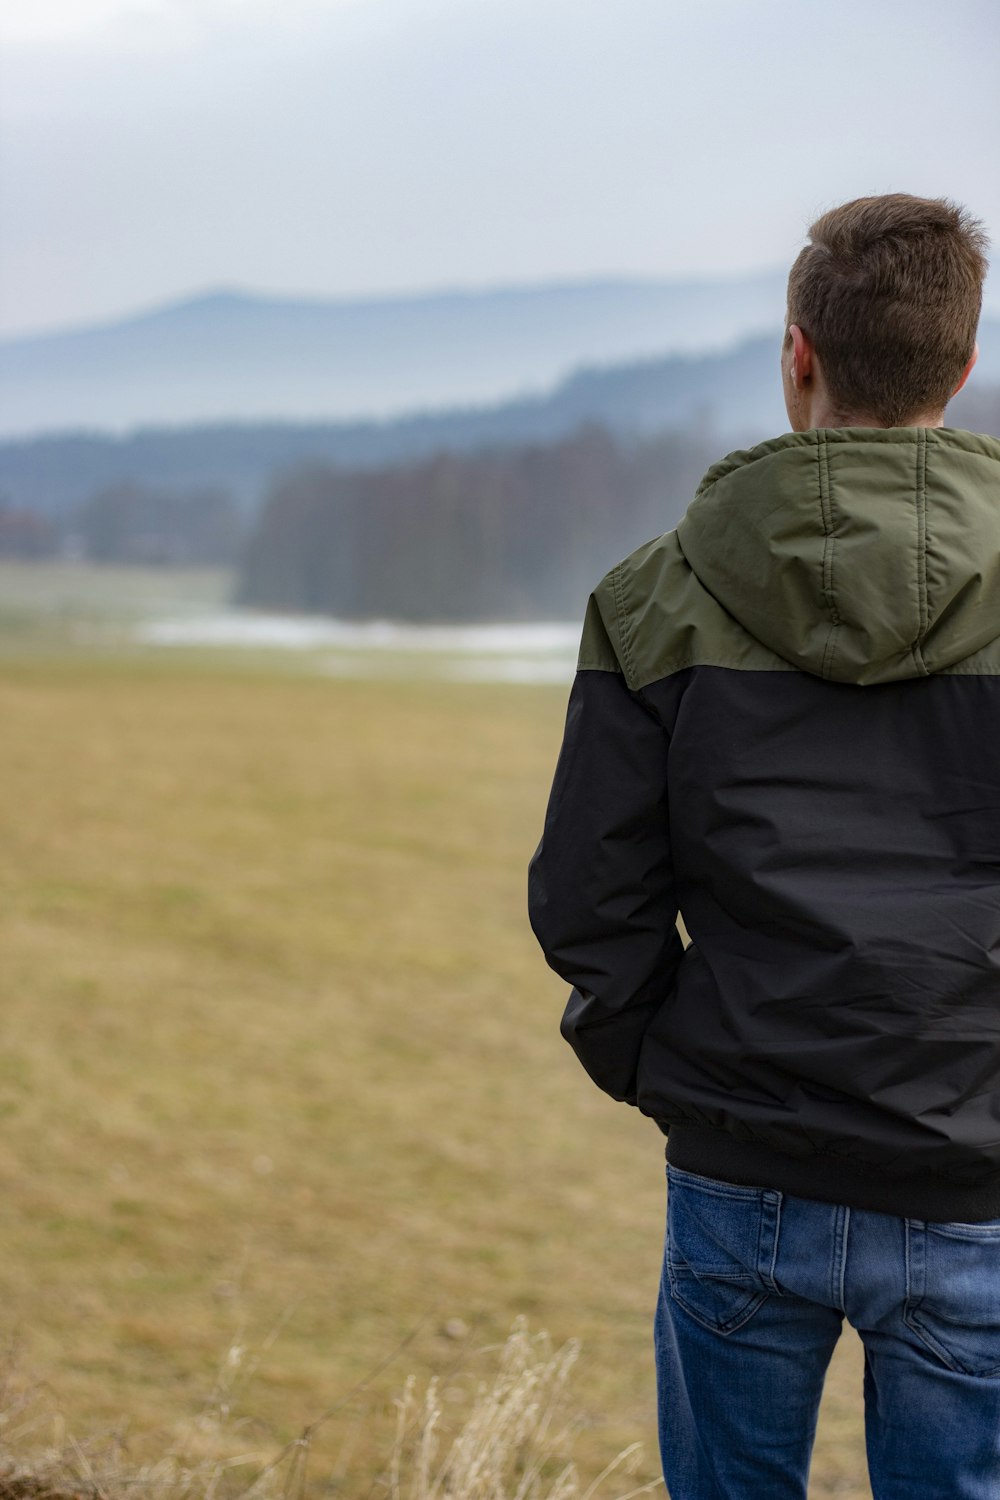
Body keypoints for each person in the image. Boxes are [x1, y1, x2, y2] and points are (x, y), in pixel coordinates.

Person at [527, 194, 1000, 1500]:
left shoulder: (649, 598)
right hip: (977, 1171)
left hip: (743, 1161)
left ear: (797, 356)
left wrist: (674, 1071)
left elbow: (587, 901)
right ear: (963, 365)